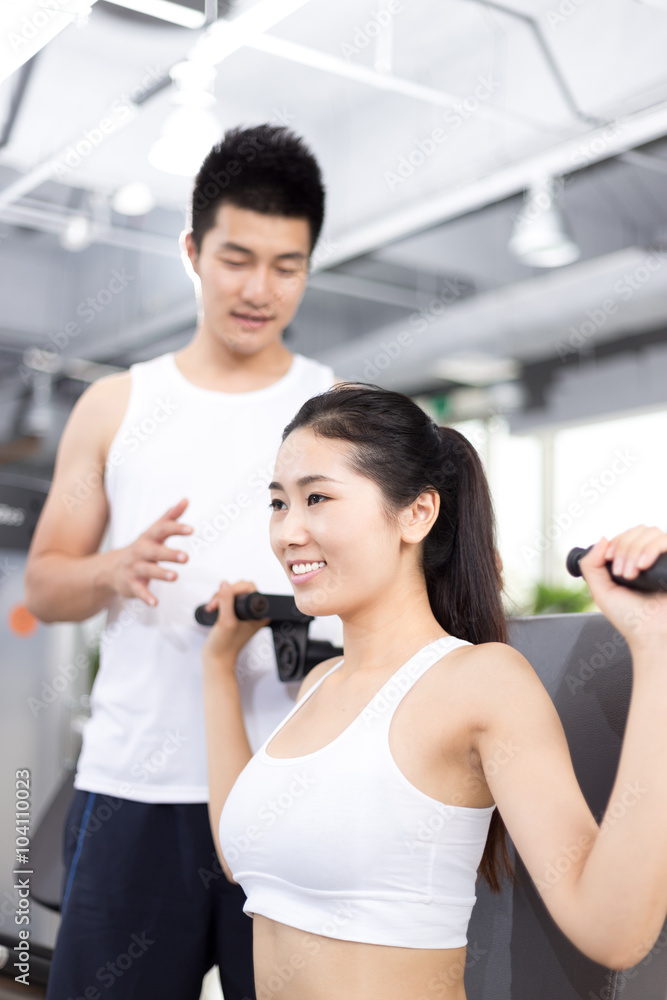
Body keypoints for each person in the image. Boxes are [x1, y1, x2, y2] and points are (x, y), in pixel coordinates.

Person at [200, 383, 667, 1000]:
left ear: (417, 513)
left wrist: (657, 650)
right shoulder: (319, 684)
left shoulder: (480, 682)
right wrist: (216, 670)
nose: (288, 531)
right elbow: (244, 861)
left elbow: (613, 931)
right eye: (279, 503)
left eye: (317, 497)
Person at [25, 124, 339, 1000]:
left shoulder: (337, 409)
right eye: (236, 258)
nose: (258, 289)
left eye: (287, 265)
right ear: (192, 250)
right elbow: (45, 586)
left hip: (288, 786)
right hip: (136, 784)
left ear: (309, 266)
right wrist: (113, 568)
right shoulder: (117, 404)